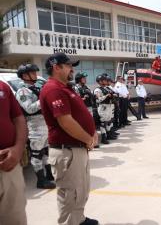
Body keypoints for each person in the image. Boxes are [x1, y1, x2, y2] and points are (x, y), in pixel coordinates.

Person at [40, 53, 99, 225]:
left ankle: (78, 219)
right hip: (67, 151)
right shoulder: (53, 89)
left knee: (80, 191)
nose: (72, 68)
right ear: (56, 67)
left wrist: (92, 132)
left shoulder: (66, 87)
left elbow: (79, 115)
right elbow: (65, 122)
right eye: (68, 65)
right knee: (70, 194)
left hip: (76, 148)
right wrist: (88, 138)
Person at [15, 64, 56, 189]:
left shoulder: (37, 88)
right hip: (35, 125)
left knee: (46, 152)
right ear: (24, 76)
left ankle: (49, 175)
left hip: (44, 123)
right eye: (32, 73)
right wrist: (43, 99)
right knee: (37, 153)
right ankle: (40, 179)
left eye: (35, 72)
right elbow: (30, 108)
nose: (35, 75)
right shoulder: (23, 91)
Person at [0, 80, 28, 225]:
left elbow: (18, 118)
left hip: (9, 166)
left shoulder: (3, 86)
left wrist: (18, 148)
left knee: (15, 218)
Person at [94, 74, 117, 144]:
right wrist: (107, 96)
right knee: (103, 122)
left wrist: (113, 95)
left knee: (109, 121)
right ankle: (103, 137)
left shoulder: (106, 88)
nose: (105, 81)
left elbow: (114, 94)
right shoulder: (97, 89)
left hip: (109, 106)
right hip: (103, 107)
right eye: (103, 80)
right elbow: (99, 99)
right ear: (100, 81)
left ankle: (109, 135)